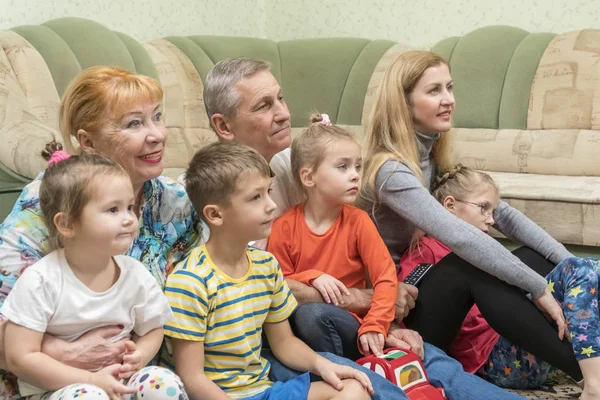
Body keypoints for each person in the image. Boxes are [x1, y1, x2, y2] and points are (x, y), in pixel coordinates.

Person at [202, 58, 528, 400]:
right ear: (224, 126)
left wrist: (384, 319)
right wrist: (362, 298)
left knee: (426, 358)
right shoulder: (210, 198)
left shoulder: (292, 162)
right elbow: (266, 286)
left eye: (280, 99)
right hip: (282, 339)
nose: (284, 113)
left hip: (351, 321)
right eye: (264, 106)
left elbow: (369, 260)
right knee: (336, 348)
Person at [358, 50, 585, 385]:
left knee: (534, 258)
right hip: (397, 310)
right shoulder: (391, 170)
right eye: (434, 91)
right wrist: (537, 289)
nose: (448, 99)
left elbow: (504, 215)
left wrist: (572, 266)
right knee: (472, 263)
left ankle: (587, 355)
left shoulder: (433, 157)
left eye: (449, 88)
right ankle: (587, 372)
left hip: (426, 286)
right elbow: (460, 236)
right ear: (403, 103)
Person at [0, 66, 201, 398]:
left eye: (157, 117)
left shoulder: (172, 200)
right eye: (134, 123)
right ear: (88, 142)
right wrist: (54, 352)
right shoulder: (47, 203)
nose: (157, 135)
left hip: (137, 374)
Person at [162, 141, 373, 400]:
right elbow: (192, 378)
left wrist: (326, 367)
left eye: (268, 192)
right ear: (215, 215)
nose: (271, 205)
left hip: (264, 391)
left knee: (353, 389)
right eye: (255, 197)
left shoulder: (266, 266)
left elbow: (284, 343)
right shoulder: (190, 281)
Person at [2, 148, 186, 399]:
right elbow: (20, 357)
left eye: (129, 206)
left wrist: (140, 355)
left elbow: (153, 327)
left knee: (163, 382)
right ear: (66, 224)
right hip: (58, 389)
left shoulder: (135, 274)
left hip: (120, 382)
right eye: (113, 210)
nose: (129, 219)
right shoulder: (40, 280)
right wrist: (91, 380)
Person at [400, 164, 600, 396]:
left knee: (576, 266)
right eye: (483, 208)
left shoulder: (487, 250)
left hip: (525, 343)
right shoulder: (425, 251)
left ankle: (593, 371)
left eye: (493, 212)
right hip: (496, 363)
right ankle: (593, 382)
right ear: (450, 206)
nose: (492, 220)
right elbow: (408, 309)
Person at [267, 113, 397, 360]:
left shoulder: (359, 222)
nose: (355, 175)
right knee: (309, 314)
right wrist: (313, 277)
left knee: (314, 313)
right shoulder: (283, 227)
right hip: (300, 335)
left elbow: (386, 278)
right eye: (342, 166)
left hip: (350, 326)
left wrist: (376, 324)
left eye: (358, 166)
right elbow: (276, 283)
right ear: (308, 177)